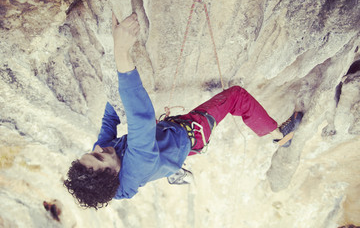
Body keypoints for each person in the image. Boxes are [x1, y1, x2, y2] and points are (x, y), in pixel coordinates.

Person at [64, 12, 303, 209]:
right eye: (98, 156)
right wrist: (121, 54)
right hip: (191, 134)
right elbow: (141, 119)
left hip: (163, 144)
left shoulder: (104, 175)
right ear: (114, 174)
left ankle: (172, 168)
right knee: (235, 96)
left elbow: (109, 120)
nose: (97, 147)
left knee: (157, 154)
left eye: (91, 151)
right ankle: (280, 137)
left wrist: (111, 77)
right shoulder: (137, 167)